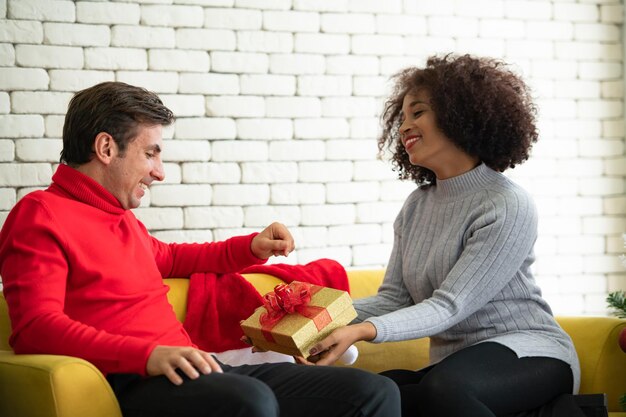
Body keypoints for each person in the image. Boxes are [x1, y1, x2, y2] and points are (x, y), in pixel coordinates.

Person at [0, 81, 400, 417]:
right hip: (129, 379)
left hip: (191, 369)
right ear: (106, 148)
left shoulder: (121, 219)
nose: (159, 171)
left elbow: (171, 258)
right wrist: (147, 355)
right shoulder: (39, 215)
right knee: (251, 401)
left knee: (372, 392)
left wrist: (251, 247)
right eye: (150, 152)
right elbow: (37, 328)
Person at [302, 54, 598, 417]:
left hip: (530, 353)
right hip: (456, 368)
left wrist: (363, 331)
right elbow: (395, 298)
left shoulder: (506, 203)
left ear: (461, 115)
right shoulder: (416, 206)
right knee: (374, 392)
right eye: (403, 117)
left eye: (418, 112)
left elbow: (449, 305)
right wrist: (314, 318)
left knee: (443, 391)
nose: (404, 127)